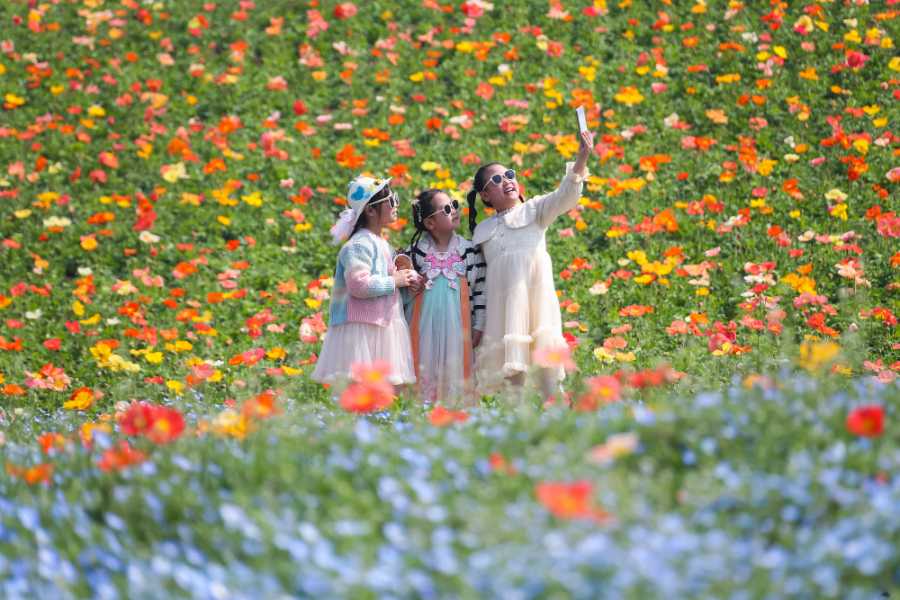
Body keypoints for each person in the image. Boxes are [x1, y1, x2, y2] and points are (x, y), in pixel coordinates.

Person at [467, 130, 594, 401]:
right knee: (512, 372)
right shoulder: (481, 231)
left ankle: (556, 413)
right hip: (503, 311)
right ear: (485, 195)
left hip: (537, 304)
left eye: (509, 174)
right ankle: (517, 419)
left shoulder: (535, 210)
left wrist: (581, 158)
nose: (507, 181)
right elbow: (475, 275)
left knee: (546, 367)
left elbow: (565, 196)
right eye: (497, 179)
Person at [312, 175, 420, 388]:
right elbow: (359, 286)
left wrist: (407, 287)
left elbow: (388, 291)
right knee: (362, 389)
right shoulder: (359, 244)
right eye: (390, 201)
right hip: (362, 328)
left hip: (382, 326)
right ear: (369, 210)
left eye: (396, 199)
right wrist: (394, 281)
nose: (396, 205)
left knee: (385, 390)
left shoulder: (383, 244)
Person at [403, 189, 485, 404]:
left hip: (459, 325)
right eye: (447, 209)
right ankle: (421, 409)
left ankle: (457, 410)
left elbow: (480, 289)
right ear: (429, 223)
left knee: (457, 364)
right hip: (422, 325)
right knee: (422, 361)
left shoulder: (469, 250)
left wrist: (479, 325)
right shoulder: (415, 252)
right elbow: (405, 292)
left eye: (454, 204)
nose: (455, 210)